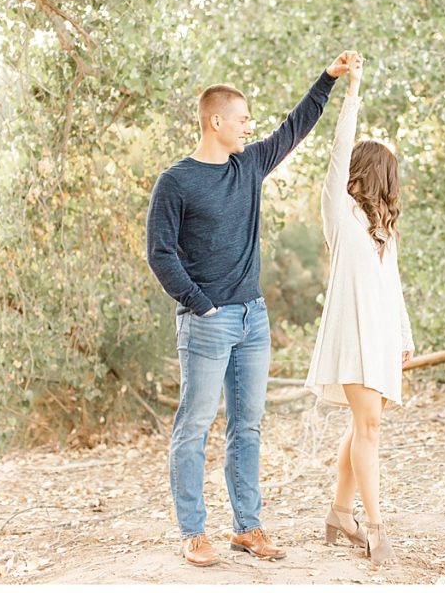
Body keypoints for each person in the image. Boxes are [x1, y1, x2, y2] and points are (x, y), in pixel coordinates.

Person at [146, 51, 356, 566]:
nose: (249, 127)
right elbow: (160, 252)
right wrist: (200, 304)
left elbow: (296, 126)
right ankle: (194, 533)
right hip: (208, 322)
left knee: (248, 426)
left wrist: (328, 78)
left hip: (252, 319)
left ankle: (248, 527)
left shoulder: (249, 165)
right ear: (215, 121)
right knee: (194, 426)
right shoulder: (176, 182)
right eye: (242, 119)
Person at [304, 53, 415, 566]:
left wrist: (404, 336)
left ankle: (339, 512)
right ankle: (375, 528)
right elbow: (338, 150)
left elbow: (393, 288)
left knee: (362, 424)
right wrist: (352, 90)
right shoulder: (340, 216)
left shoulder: (382, 229)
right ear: (375, 173)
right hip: (350, 335)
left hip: (381, 337)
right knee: (369, 427)